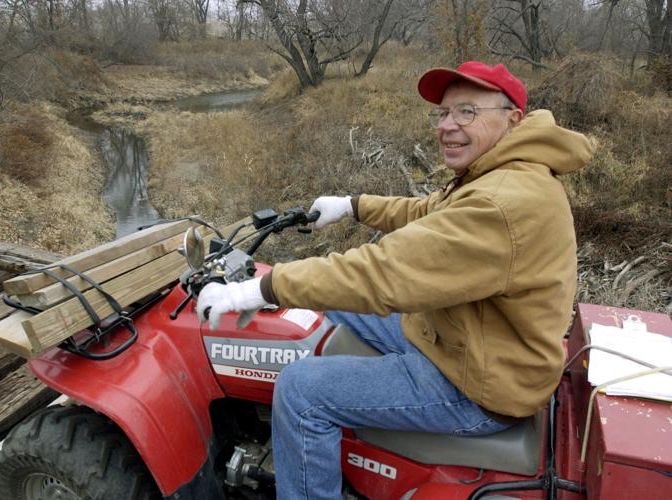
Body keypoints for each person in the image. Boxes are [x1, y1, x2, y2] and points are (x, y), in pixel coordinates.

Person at [196, 61, 594, 499]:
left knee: (299, 391)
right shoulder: (505, 171)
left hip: (481, 387)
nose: (448, 125)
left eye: (467, 112)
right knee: (337, 301)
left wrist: (255, 289)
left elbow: (381, 273)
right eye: (443, 113)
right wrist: (354, 205)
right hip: (476, 341)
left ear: (512, 118)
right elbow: (428, 212)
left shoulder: (503, 202)